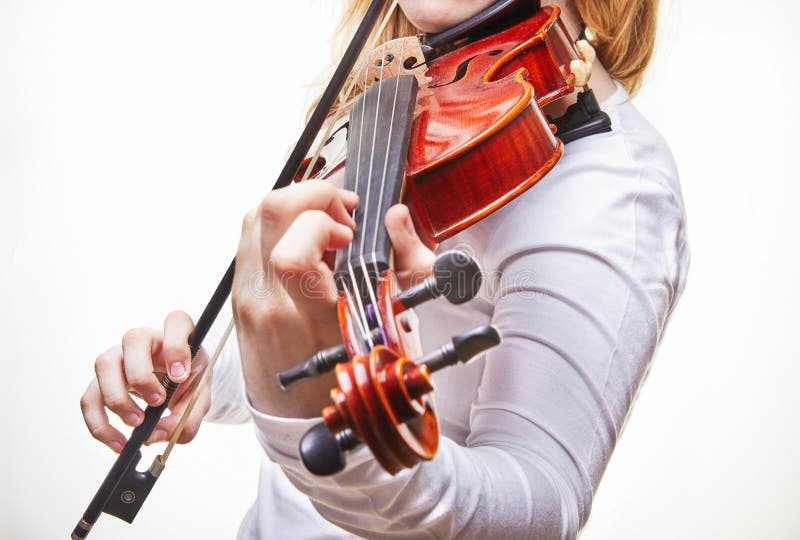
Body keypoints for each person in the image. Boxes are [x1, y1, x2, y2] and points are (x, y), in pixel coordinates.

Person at [79, 0, 689, 537]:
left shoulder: (613, 193)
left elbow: (540, 506)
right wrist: (211, 374)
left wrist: (343, 442)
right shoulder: (416, 87)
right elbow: (313, 353)